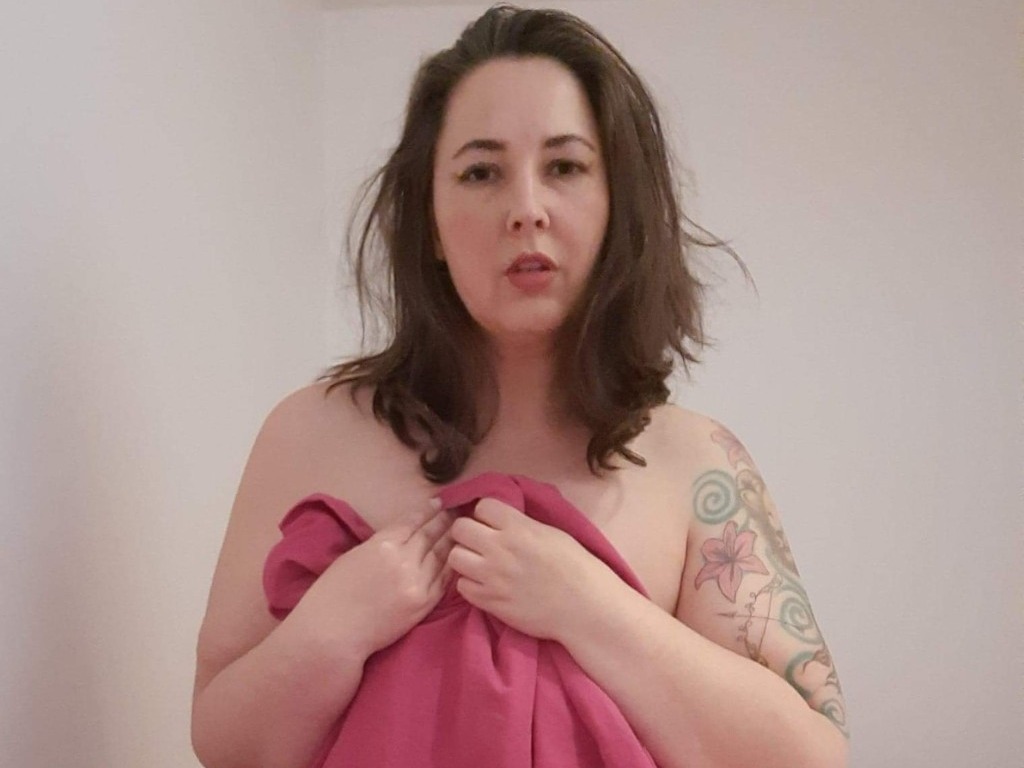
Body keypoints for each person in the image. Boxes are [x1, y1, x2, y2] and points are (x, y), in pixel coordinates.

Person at [191, 5, 848, 767]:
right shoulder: (308, 436)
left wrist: (590, 609)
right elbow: (223, 743)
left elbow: (811, 756)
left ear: (617, 203)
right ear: (430, 221)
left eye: (565, 167)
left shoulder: (696, 463)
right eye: (481, 172)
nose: (526, 210)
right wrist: (333, 627)